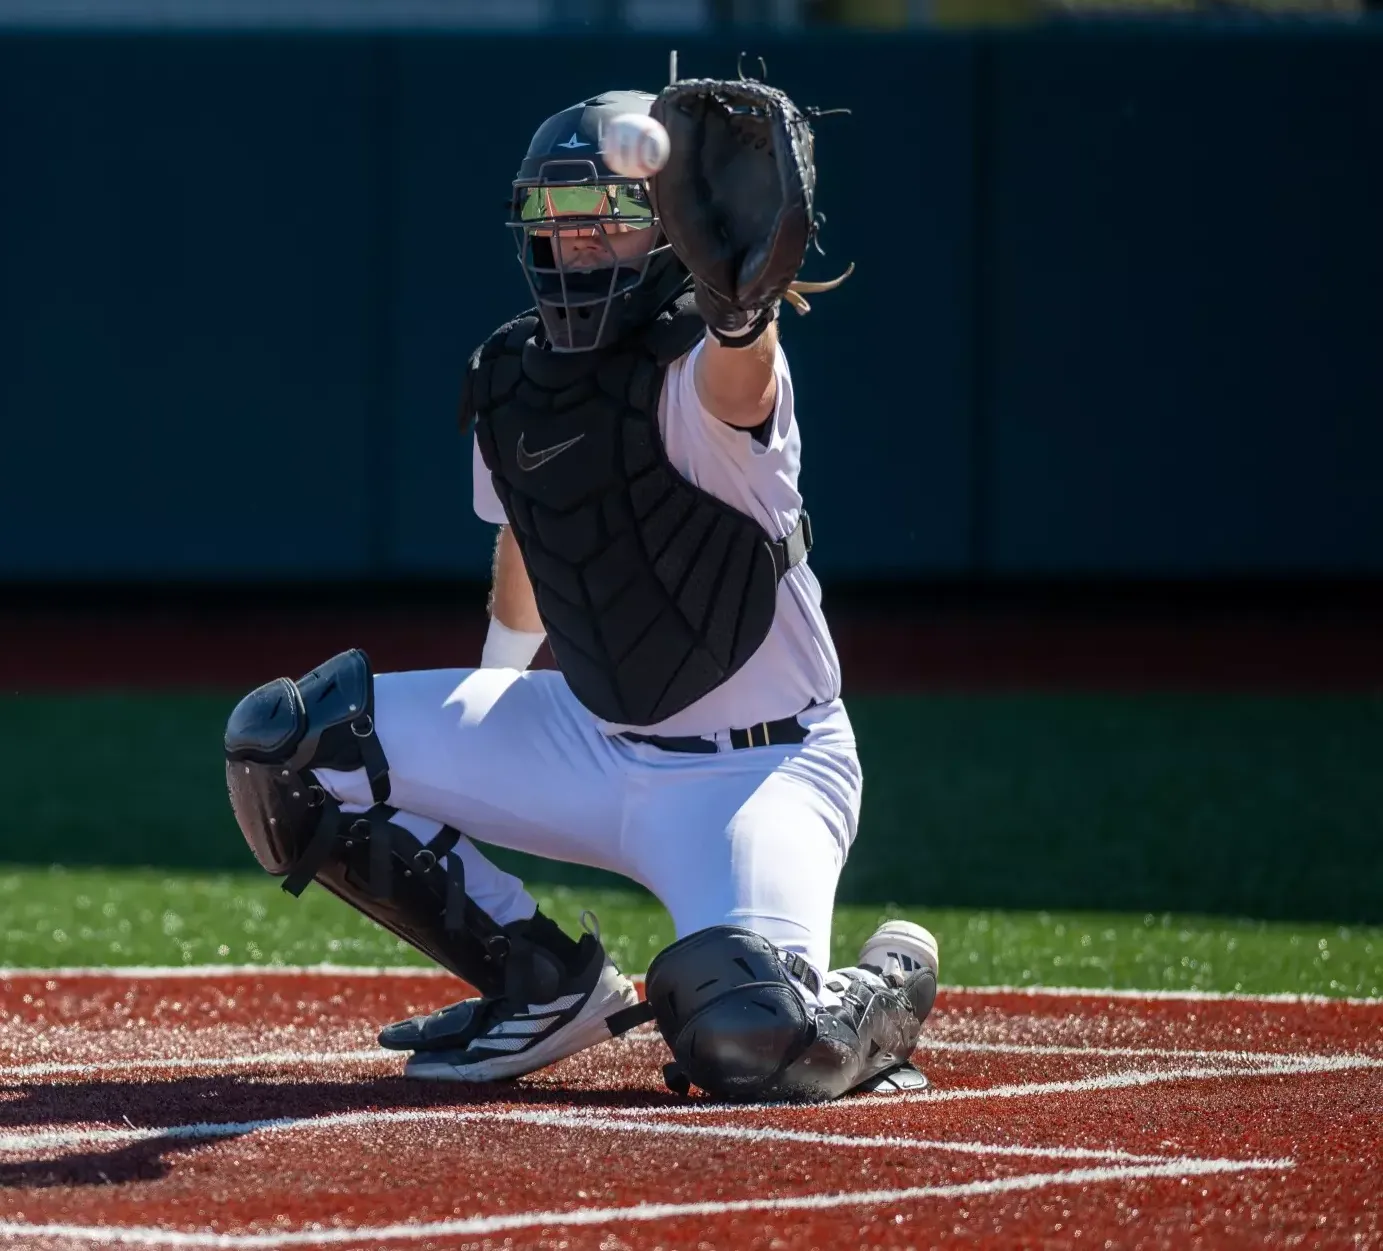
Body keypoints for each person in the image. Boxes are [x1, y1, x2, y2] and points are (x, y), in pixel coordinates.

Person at [223, 88, 938, 1102]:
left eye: (610, 213)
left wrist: (744, 314)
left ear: (672, 229)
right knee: (290, 747)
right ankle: (542, 983)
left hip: (762, 772)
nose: (580, 235)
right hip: (592, 735)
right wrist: (490, 706)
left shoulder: (705, 363)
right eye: (560, 214)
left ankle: (885, 987)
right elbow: (532, 541)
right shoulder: (512, 374)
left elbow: (742, 380)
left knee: (754, 1038)